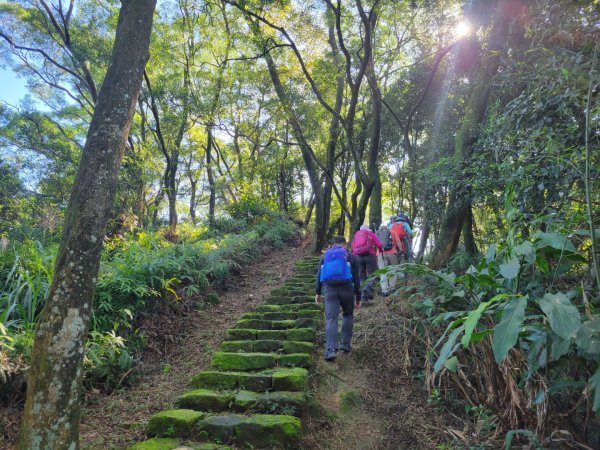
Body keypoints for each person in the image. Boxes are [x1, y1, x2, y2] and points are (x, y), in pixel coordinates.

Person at [315, 236, 361, 361]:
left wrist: (318, 292)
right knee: (347, 315)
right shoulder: (351, 256)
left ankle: (331, 350)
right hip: (347, 289)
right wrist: (358, 296)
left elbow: (319, 274)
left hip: (329, 289)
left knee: (331, 319)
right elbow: (357, 278)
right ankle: (345, 344)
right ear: (345, 245)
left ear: (332, 244)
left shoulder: (325, 256)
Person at [351, 224, 383, 303]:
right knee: (373, 274)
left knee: (361, 276)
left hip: (358, 257)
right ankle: (367, 289)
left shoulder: (357, 234)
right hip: (370, 255)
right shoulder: (371, 234)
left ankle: (363, 298)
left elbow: (353, 246)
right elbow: (379, 244)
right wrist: (381, 251)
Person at [376, 224, 402, 296]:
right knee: (393, 270)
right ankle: (392, 288)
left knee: (383, 272)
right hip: (392, 253)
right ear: (386, 228)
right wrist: (401, 250)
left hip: (381, 254)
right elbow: (398, 241)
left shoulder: (377, 233)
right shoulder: (392, 232)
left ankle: (385, 290)